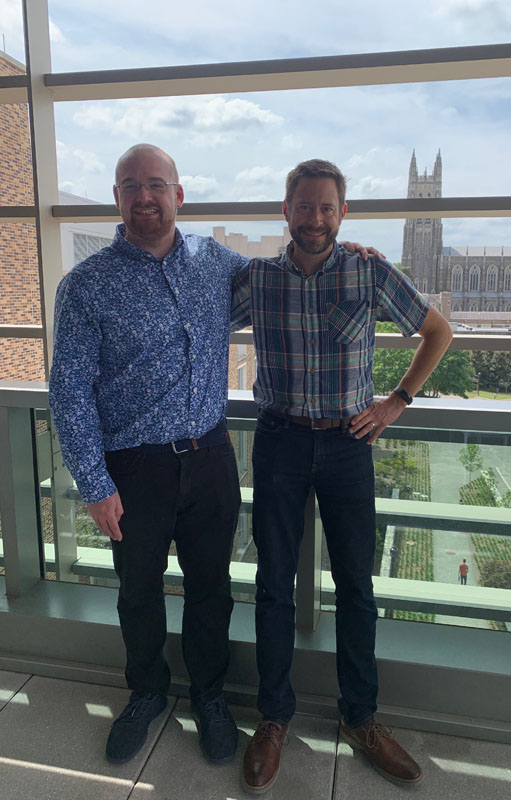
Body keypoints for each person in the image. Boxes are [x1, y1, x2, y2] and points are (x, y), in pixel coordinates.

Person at [49, 144, 375, 767]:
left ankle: (209, 695)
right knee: (137, 590)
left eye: (156, 184)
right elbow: (69, 391)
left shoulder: (216, 264)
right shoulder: (85, 286)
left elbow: (290, 269)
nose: (144, 196)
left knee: (211, 589)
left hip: (210, 459)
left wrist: (348, 253)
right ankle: (146, 692)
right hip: (132, 468)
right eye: (130, 185)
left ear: (179, 195)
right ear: (116, 197)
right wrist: (93, 482)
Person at [231, 159, 453, 791]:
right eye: (304, 206)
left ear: (343, 214)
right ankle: (273, 720)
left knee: (357, 585)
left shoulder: (367, 270)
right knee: (273, 583)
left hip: (349, 446)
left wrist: (397, 401)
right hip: (277, 442)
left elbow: (438, 330)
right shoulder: (259, 280)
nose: (316, 219)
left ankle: (361, 718)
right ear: (285, 210)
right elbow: (196, 324)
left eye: (327, 208)